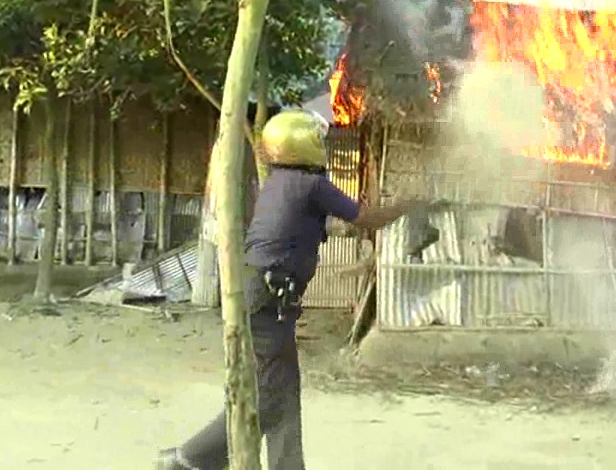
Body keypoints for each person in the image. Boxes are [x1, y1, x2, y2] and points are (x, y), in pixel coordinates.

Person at [157, 109, 423, 470]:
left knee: (284, 388)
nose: (323, 145)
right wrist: (409, 204)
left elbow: (298, 229)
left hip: (261, 291)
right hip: (269, 296)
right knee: (270, 394)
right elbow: (369, 219)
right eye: (317, 139)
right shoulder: (312, 184)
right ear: (301, 143)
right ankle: (190, 458)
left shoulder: (282, 181)